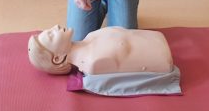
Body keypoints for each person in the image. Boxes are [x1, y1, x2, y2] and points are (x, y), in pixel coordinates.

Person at [27, 24, 173, 75]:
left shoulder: (90, 37)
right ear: (57, 58)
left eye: (50, 30)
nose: (56, 26)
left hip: (156, 39)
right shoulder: (93, 63)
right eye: (52, 35)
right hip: (162, 56)